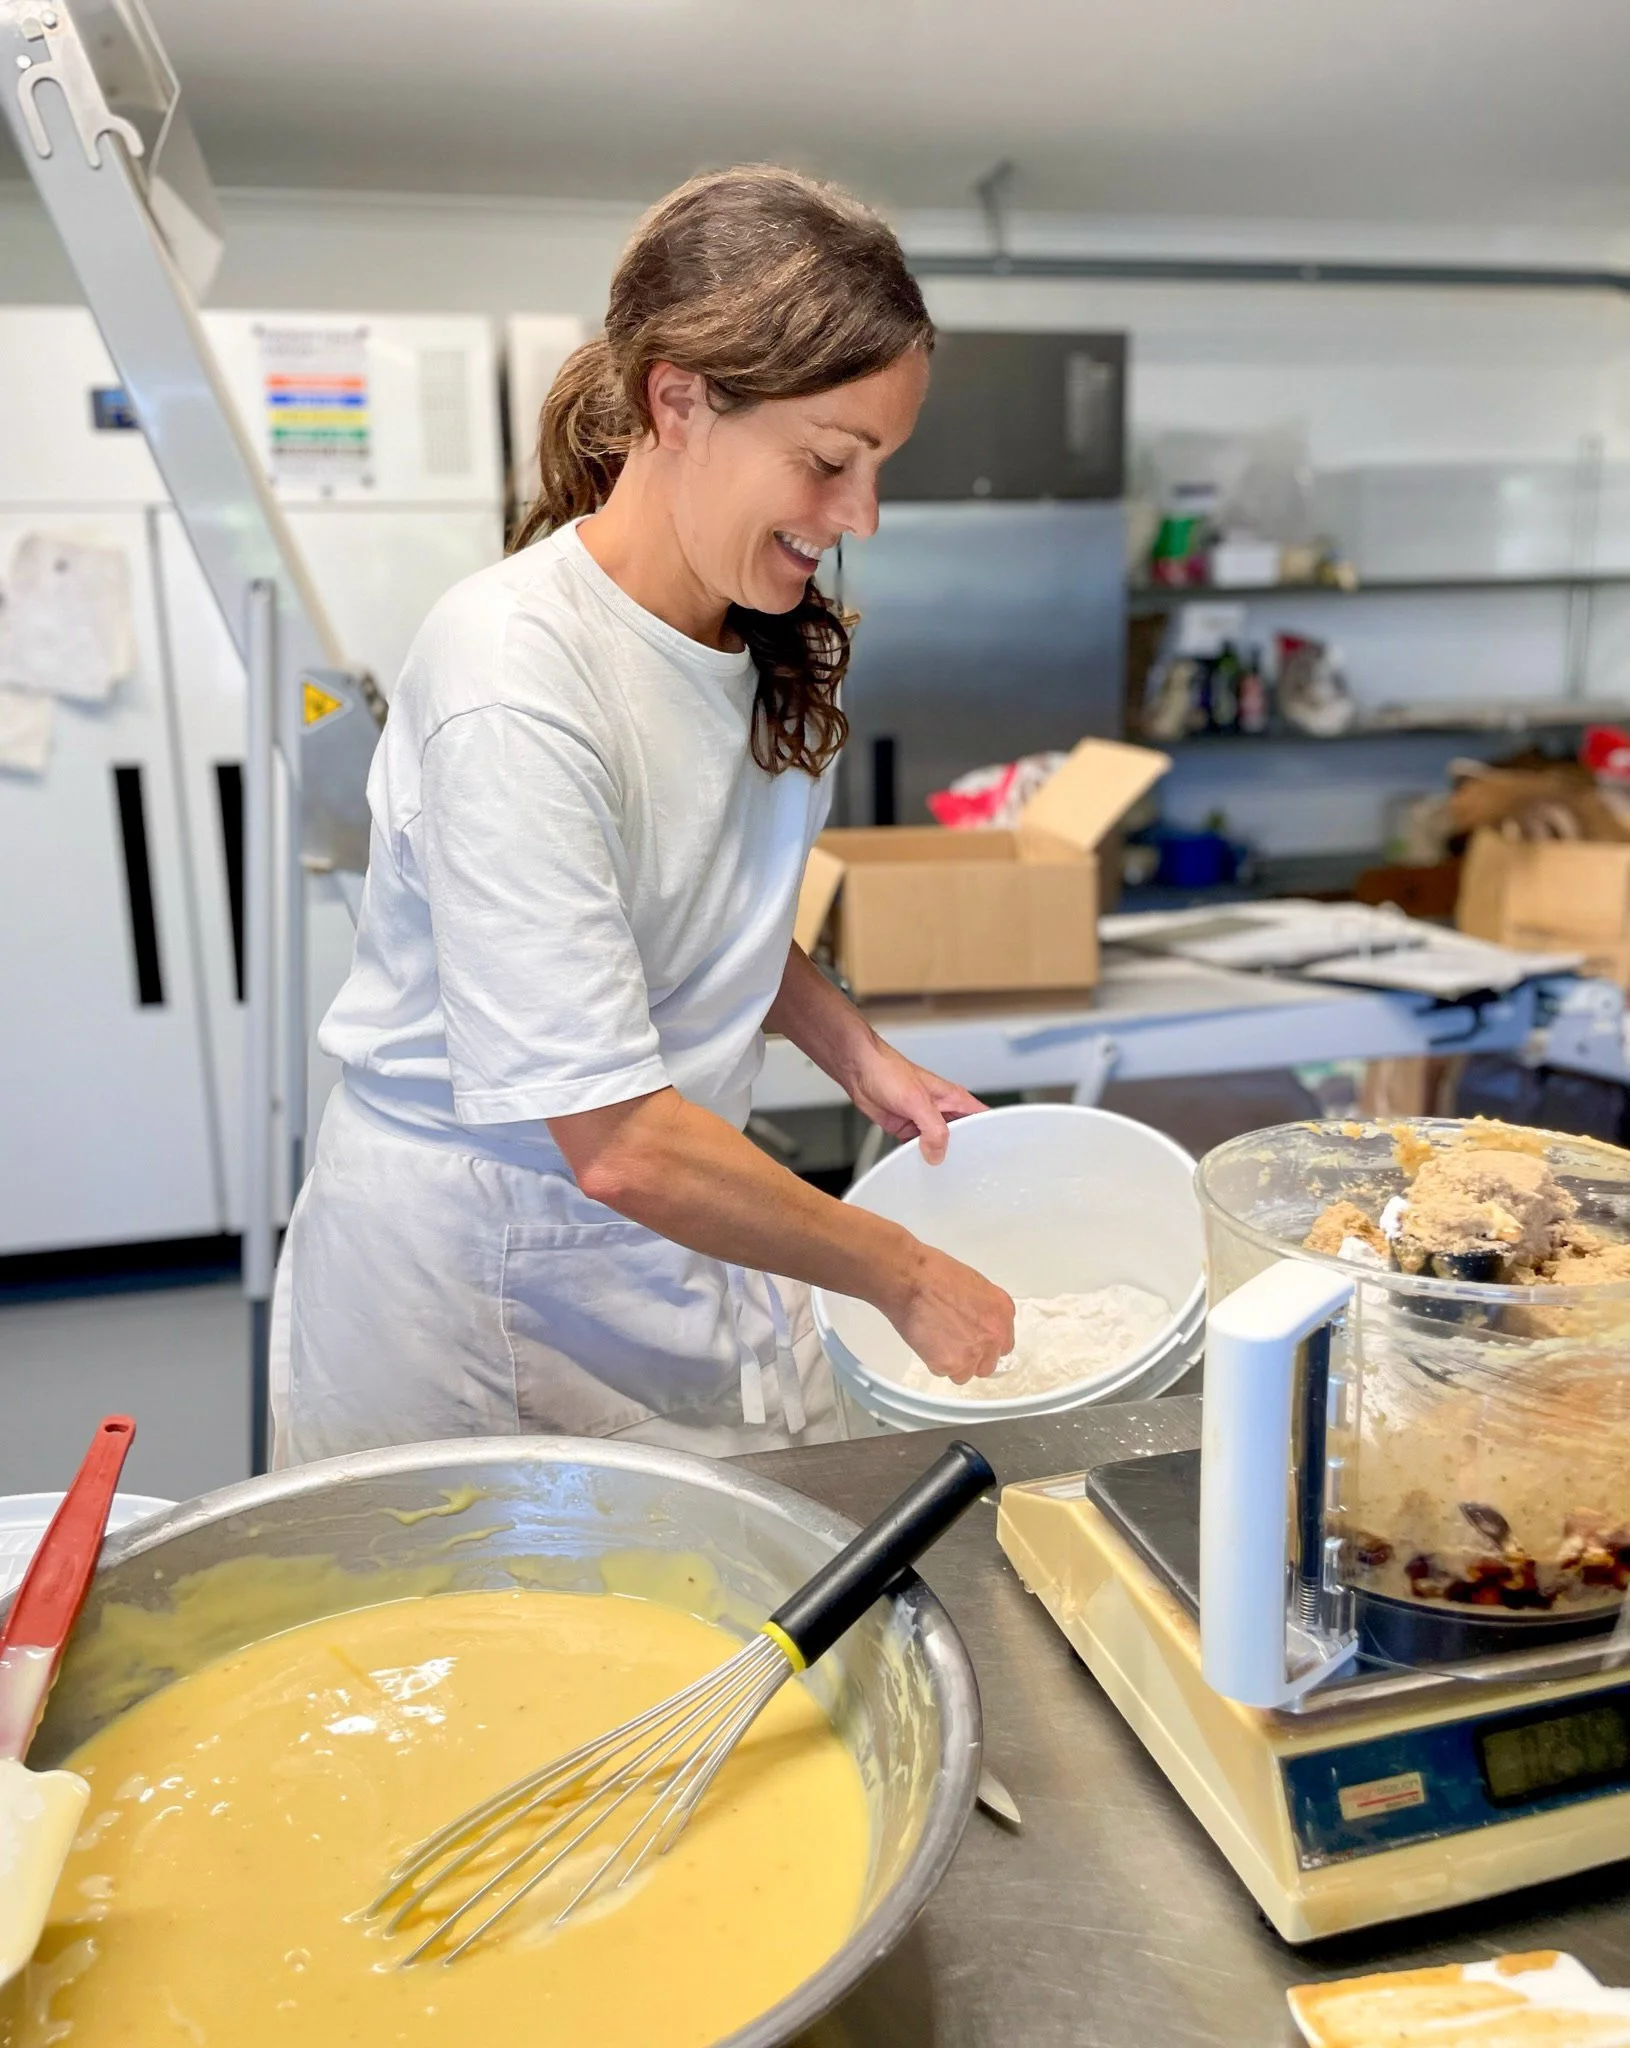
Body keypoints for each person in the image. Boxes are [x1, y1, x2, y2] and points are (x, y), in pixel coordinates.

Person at [276, 165, 1015, 1466]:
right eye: (828, 462)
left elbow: (688, 904)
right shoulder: (518, 674)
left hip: (658, 1230)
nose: (861, 519)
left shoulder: (744, 631)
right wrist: (895, 1268)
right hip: (489, 1275)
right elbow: (613, 1138)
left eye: (878, 466)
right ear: (677, 401)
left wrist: (854, 1053)